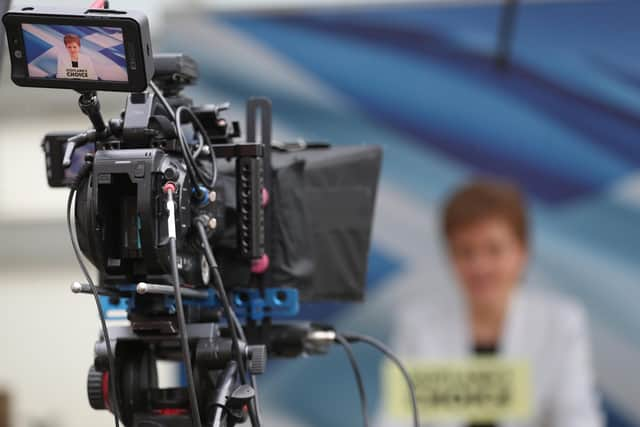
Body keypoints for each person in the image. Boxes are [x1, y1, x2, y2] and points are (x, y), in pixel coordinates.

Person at [385, 179, 603, 427]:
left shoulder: (561, 323)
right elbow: (397, 419)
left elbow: (578, 417)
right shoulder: (417, 324)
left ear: (522, 251)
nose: (480, 267)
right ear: (450, 256)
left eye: (494, 249)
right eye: (466, 252)